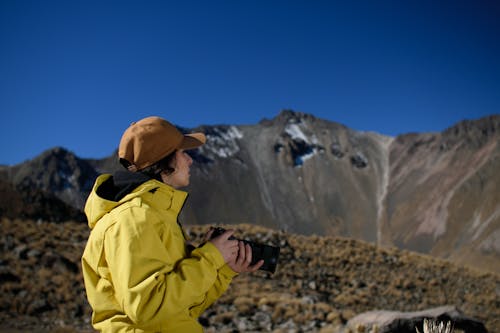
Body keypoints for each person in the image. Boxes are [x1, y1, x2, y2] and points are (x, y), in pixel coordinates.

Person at [81, 116, 263, 333]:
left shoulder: (152, 215)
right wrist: (210, 256)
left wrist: (223, 271)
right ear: (163, 158)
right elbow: (148, 308)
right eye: (183, 152)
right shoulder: (133, 218)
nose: (190, 160)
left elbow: (178, 309)